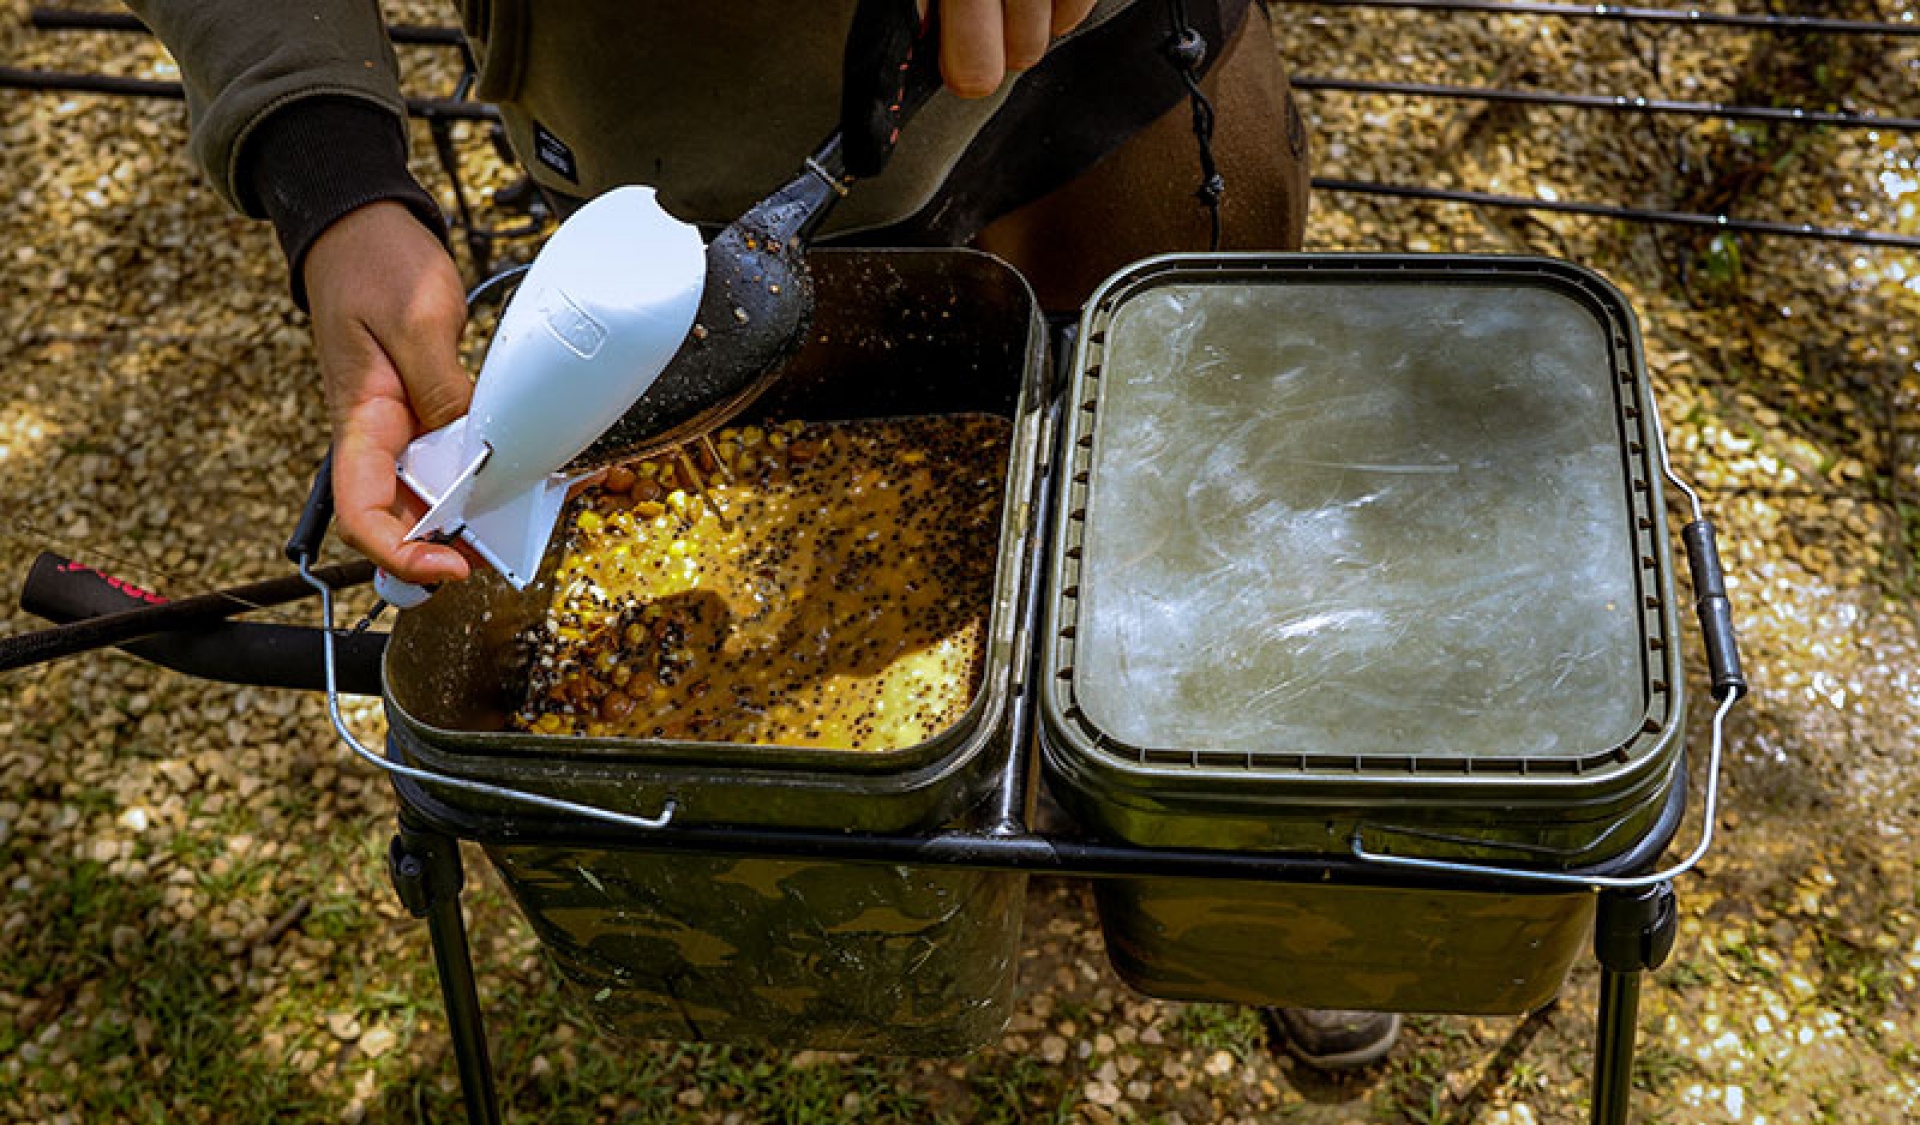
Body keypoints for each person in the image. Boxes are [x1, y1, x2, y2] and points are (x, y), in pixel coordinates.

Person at [128, 0, 1396, 1070]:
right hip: (684, 146)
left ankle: (1268, 877)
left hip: (1112, 71)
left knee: (1207, 509)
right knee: (820, 691)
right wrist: (326, 166)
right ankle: (888, 887)